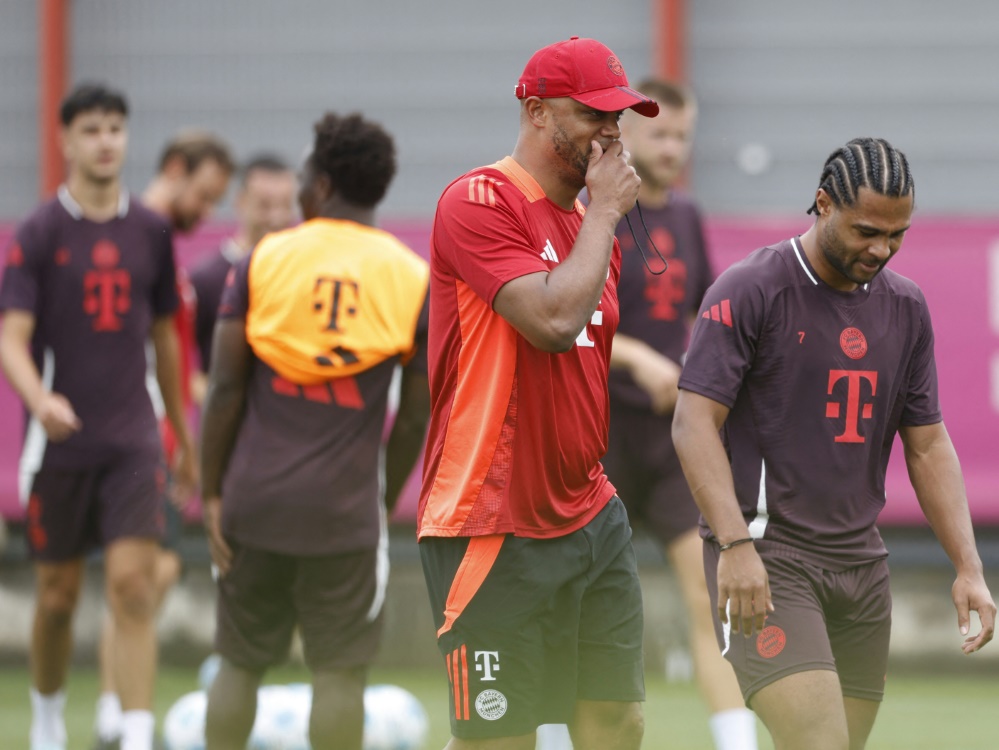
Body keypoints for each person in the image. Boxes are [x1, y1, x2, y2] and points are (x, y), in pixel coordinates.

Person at [671, 136, 996, 750]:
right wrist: (735, 546)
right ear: (822, 204)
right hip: (771, 558)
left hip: (862, 568)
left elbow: (927, 445)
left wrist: (968, 568)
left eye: (897, 234)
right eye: (867, 230)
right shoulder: (751, 289)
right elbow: (692, 424)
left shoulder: (906, 306)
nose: (882, 248)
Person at [417, 37, 659, 750]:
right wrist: (605, 214)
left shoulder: (591, 228)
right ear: (534, 110)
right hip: (491, 522)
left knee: (618, 719)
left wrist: (598, 220)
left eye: (620, 113)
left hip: (587, 512)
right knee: (502, 738)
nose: (611, 129)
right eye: (591, 112)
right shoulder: (478, 200)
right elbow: (552, 321)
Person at [199, 111, 431, 750]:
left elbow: (222, 391)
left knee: (239, 663)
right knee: (339, 673)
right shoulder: (411, 278)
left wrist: (212, 493)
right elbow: (416, 414)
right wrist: (379, 503)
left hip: (254, 503)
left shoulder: (264, 258)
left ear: (322, 184)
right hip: (344, 511)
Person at [0, 83, 195, 750]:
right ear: (66, 141)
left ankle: (136, 732)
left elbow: (166, 337)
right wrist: (38, 399)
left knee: (134, 587)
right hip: (58, 447)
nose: (106, 140)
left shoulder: (150, 231)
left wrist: (183, 437)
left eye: (115, 127)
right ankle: (49, 718)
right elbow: (10, 338)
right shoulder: (39, 232)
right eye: (92, 129)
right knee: (56, 599)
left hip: (133, 440)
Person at [603, 78, 758, 750]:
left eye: (681, 136)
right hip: (597, 436)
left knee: (707, 598)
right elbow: (567, 316)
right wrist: (637, 358)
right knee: (583, 605)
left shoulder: (688, 217)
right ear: (626, 134)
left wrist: (696, 366)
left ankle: (735, 742)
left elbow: (705, 312)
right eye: (660, 133)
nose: (672, 148)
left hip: (673, 441)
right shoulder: (595, 212)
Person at [90, 130, 235, 750]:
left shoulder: (162, 251)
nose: (206, 214)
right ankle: (117, 712)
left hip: (157, 438)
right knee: (142, 576)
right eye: (203, 195)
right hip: (129, 438)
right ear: (176, 170)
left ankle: (113, 708)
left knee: (148, 575)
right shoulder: (130, 242)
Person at [188, 153, 298, 403]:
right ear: (241, 202)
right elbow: (183, 369)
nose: (277, 217)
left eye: (286, 205)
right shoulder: (206, 279)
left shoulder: (304, 274)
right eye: (265, 205)